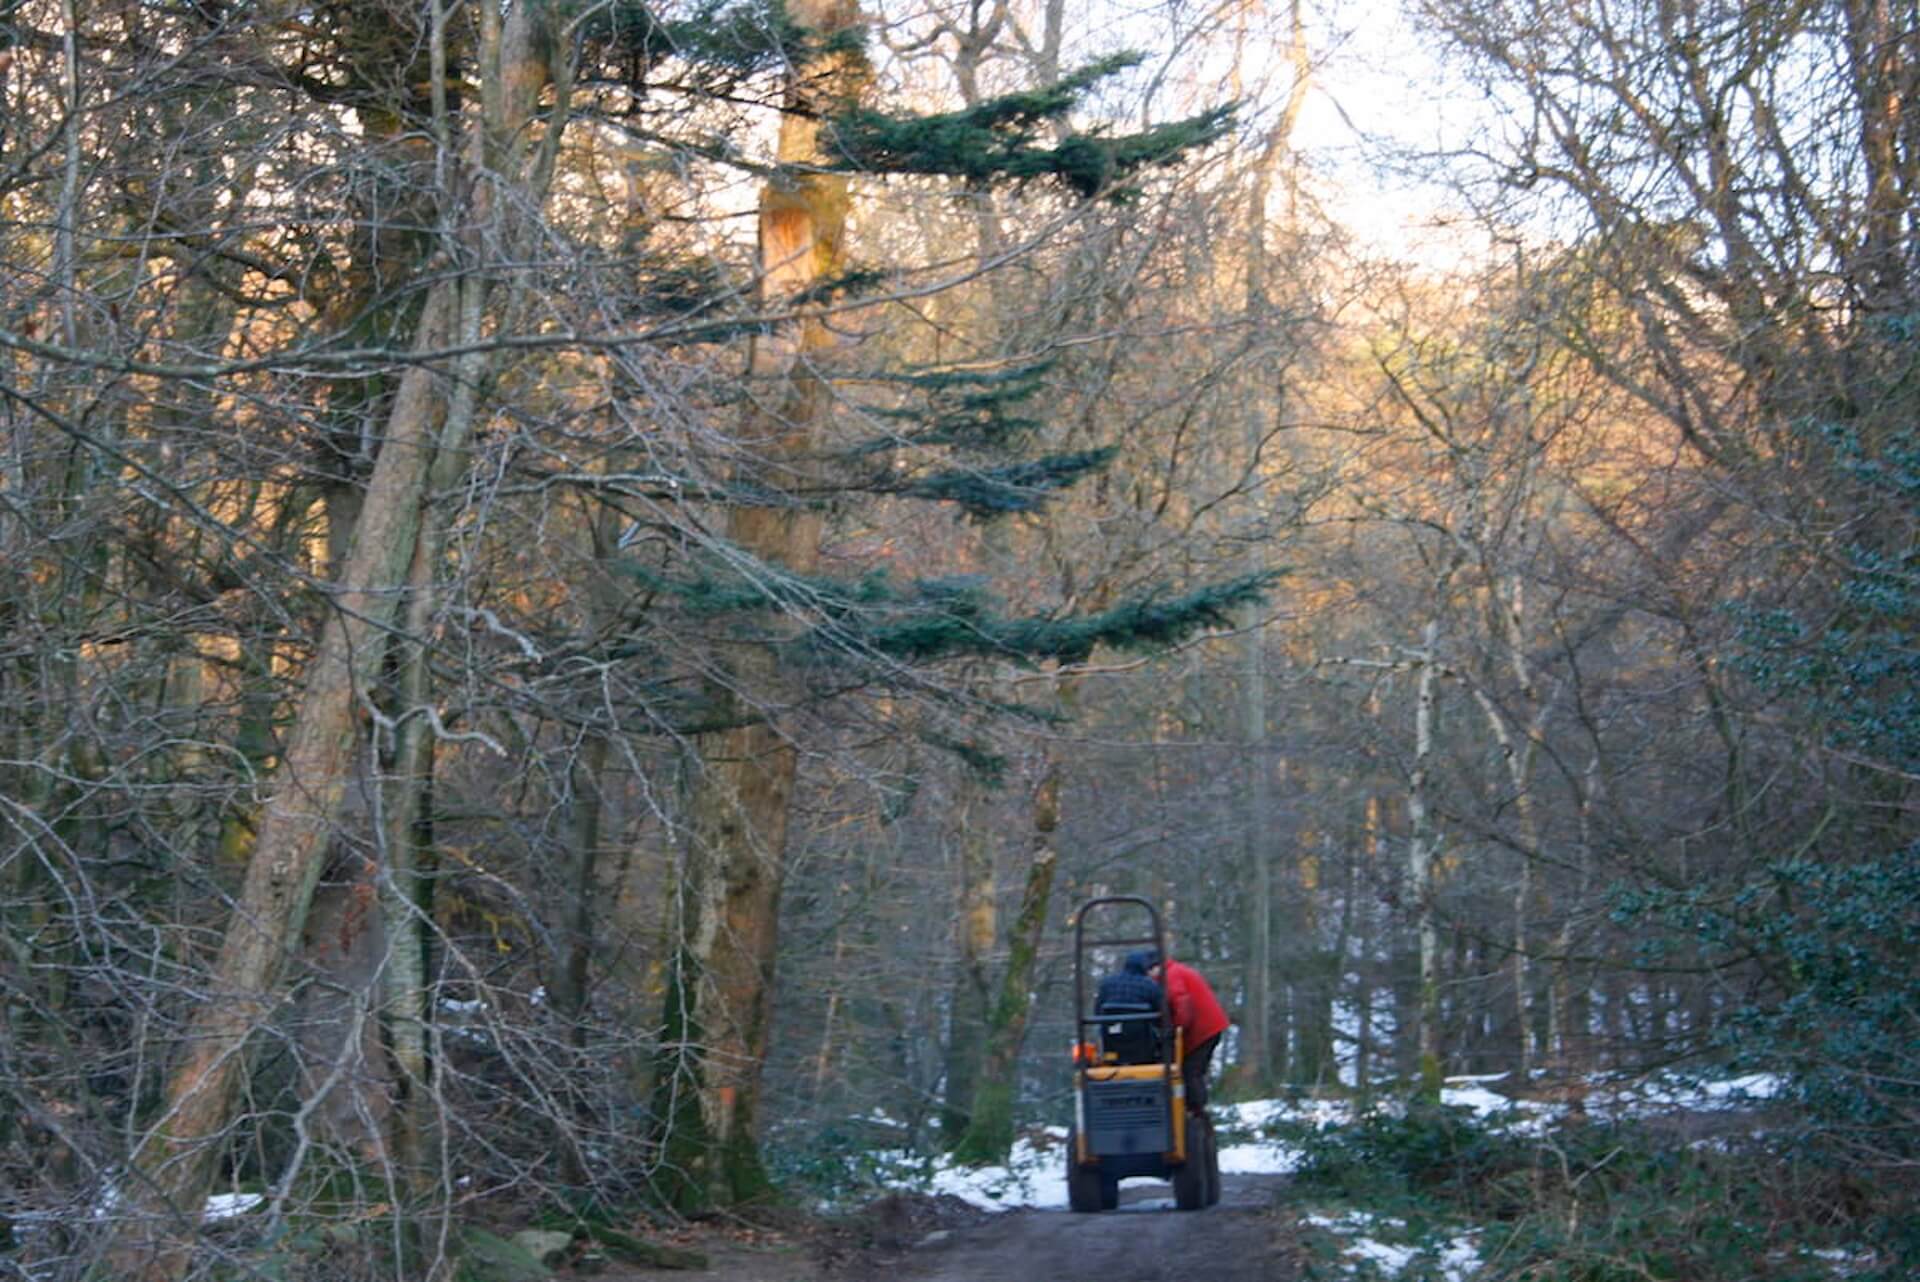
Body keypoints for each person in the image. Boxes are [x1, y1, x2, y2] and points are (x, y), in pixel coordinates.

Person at [1129, 948, 1228, 1113]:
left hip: (1203, 1031)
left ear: (1155, 967)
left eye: (1149, 972)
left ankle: (1195, 1113)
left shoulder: (1171, 976)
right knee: (1189, 1070)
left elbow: (1182, 1004)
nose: (1149, 977)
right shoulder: (1176, 971)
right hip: (1208, 1028)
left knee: (1190, 1072)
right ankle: (1190, 1111)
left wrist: (1173, 1030)